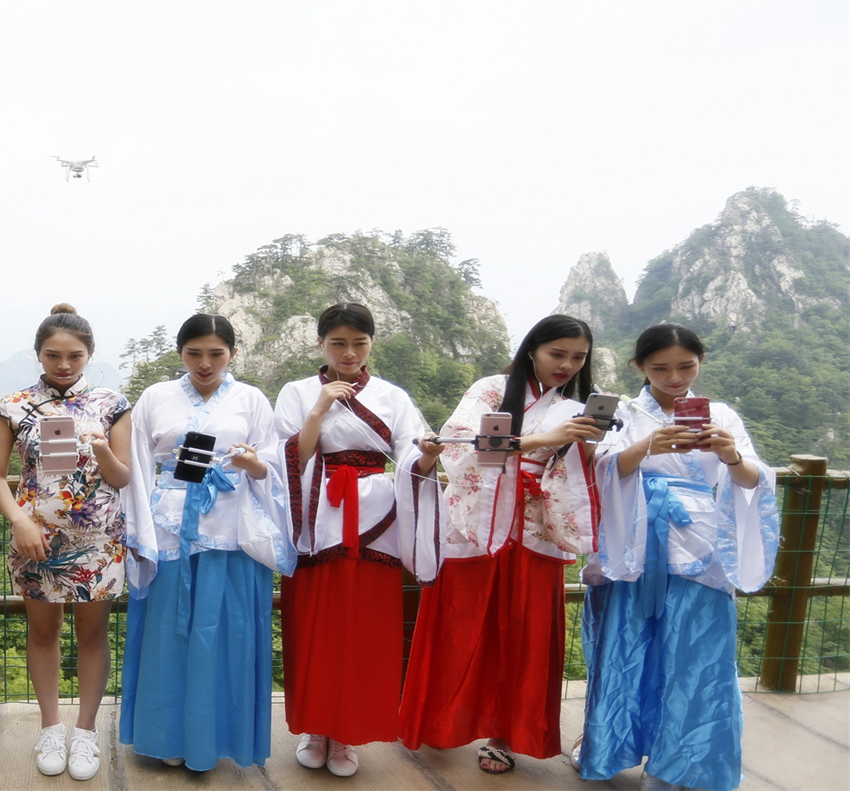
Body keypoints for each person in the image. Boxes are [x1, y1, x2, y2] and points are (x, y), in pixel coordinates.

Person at [399, 314, 603, 774]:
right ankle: (439, 722)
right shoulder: (491, 389)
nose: (566, 365)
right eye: (557, 354)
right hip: (477, 521)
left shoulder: (573, 407)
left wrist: (584, 445)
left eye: (578, 357)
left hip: (535, 526)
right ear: (532, 349)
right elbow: (462, 446)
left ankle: (503, 734)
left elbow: (585, 468)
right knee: (459, 624)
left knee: (525, 632)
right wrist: (544, 439)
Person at [578, 324, 778, 791]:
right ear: (639, 368)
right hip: (634, 543)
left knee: (696, 657)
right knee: (627, 650)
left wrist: (730, 455)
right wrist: (646, 446)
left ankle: (680, 767)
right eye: (660, 367)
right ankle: (611, 749)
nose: (674, 377)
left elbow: (754, 479)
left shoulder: (722, 414)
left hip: (700, 547)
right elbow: (598, 468)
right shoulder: (623, 414)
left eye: (686, 366)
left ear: (701, 362)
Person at [272, 303, 445, 777]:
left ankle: (348, 734)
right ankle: (315, 727)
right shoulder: (297, 391)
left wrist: (428, 456)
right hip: (317, 514)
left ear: (372, 343)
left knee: (367, 626)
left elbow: (412, 455)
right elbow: (288, 455)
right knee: (314, 623)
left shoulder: (393, 396)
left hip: (376, 515)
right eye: (338, 343)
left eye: (359, 343)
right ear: (321, 344)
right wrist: (322, 404)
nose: (349, 353)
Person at [119, 313, 296, 772]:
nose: (204, 363)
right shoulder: (155, 397)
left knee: (225, 635)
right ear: (180, 353)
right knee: (167, 634)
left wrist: (254, 466)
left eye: (216, 353)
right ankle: (168, 738)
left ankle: (215, 739)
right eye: (194, 352)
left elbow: (272, 467)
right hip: (168, 529)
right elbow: (137, 466)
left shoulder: (252, 399)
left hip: (233, 532)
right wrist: (137, 533)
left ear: (233, 354)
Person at [0, 304, 132, 781]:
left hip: (98, 538)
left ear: (89, 354)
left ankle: (85, 731)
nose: (64, 365)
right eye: (53, 355)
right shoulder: (13, 405)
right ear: (38, 354)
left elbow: (122, 476)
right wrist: (19, 523)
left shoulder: (112, 403)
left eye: (74, 356)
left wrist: (102, 448)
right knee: (43, 632)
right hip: (36, 539)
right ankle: (51, 726)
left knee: (92, 634)